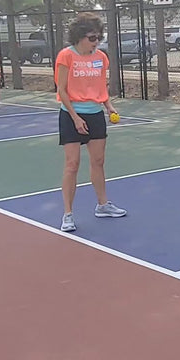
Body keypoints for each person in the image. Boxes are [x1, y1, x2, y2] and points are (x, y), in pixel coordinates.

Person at [55, 12, 127, 232]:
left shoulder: (100, 57)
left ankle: (102, 205)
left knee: (98, 161)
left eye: (98, 38)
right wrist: (76, 118)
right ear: (79, 37)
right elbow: (61, 90)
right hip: (71, 115)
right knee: (72, 164)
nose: (96, 42)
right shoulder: (66, 56)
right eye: (92, 38)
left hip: (95, 114)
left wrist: (108, 106)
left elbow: (100, 88)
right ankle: (68, 214)